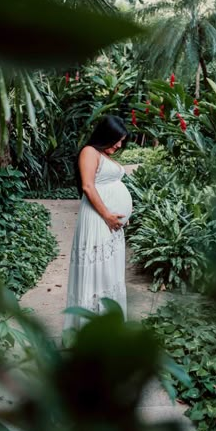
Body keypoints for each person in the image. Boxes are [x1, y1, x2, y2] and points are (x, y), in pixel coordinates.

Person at [63, 115, 133, 332]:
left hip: (110, 223)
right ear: (105, 135)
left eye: (122, 140)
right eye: (117, 139)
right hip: (98, 219)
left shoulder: (103, 154)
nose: (119, 144)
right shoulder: (89, 152)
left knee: (109, 272)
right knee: (97, 272)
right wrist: (108, 216)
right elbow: (88, 187)